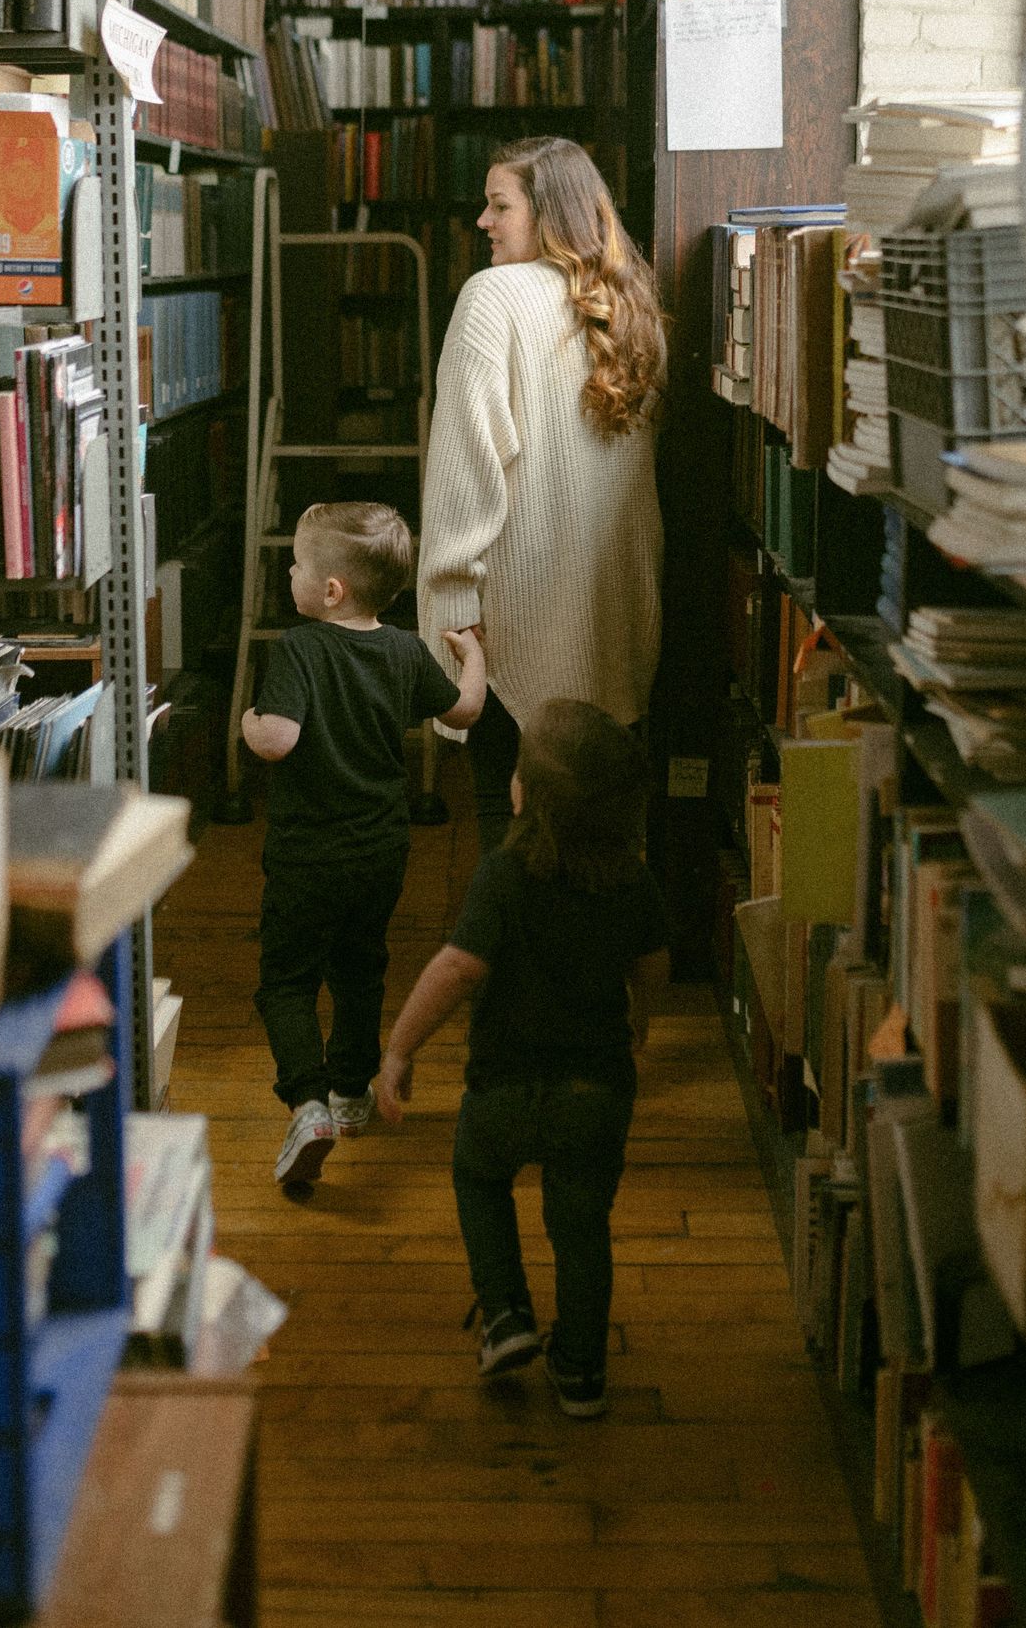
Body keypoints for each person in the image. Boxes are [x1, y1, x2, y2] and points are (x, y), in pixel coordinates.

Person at [375, 700, 668, 1419]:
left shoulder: (503, 877)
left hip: (503, 1085)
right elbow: (654, 962)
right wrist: (641, 1017)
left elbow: (455, 969)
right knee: (581, 1227)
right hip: (595, 1089)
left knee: (479, 1179)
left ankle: (506, 1315)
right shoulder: (633, 879)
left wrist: (399, 1050)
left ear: (526, 797)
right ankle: (581, 1371)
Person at [416, 136, 665, 853]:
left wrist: (456, 607)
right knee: (600, 842)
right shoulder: (632, 304)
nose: (482, 222)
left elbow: (466, 469)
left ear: (550, 214)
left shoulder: (493, 297)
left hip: (514, 627)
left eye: (500, 206)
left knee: (511, 831)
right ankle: (596, 969)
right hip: (616, 624)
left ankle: (509, 967)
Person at [242, 500, 486, 1190]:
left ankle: (307, 1101)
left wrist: (249, 721)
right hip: (381, 851)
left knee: (287, 982)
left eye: (297, 565)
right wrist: (474, 657)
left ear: (330, 591)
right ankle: (352, 1092)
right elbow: (465, 711)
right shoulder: (405, 651)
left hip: (305, 856)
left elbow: (279, 739)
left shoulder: (298, 648)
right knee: (359, 968)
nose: (289, 572)